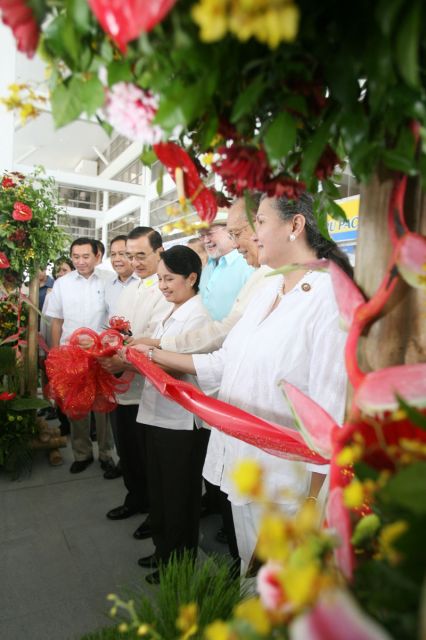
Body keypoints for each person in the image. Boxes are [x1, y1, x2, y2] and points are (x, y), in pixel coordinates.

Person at [130, 193, 352, 573]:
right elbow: (224, 363)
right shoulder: (267, 289)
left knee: (285, 595)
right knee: (253, 583)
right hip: (245, 464)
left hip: (290, 485)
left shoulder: (331, 296)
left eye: (258, 225)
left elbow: (331, 407)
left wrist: (315, 500)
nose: (246, 238)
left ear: (295, 225)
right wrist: (148, 355)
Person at [134, 245, 211, 584]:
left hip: (180, 422)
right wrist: (136, 345)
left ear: (191, 278)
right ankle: (163, 549)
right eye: (160, 279)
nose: (162, 286)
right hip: (156, 414)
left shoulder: (198, 316)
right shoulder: (170, 311)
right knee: (161, 492)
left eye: (169, 279)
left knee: (180, 496)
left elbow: (176, 366)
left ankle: (178, 562)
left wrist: (139, 355)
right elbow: (158, 346)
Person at [100, 227, 171, 541]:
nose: (135, 262)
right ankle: (135, 498)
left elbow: (160, 341)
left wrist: (124, 358)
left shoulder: (166, 289)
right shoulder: (131, 287)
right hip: (122, 386)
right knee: (128, 451)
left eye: (141, 255)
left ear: (160, 251)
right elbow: (116, 327)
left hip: (149, 388)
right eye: (130, 255)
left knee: (151, 460)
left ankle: (156, 514)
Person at [47, 238, 115, 475]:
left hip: (102, 353)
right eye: (75, 257)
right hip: (71, 355)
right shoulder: (62, 284)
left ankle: (107, 454)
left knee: (103, 406)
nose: (80, 262)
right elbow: (57, 320)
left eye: (86, 256)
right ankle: (82, 453)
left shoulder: (109, 280)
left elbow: (116, 317)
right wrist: (56, 354)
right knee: (77, 406)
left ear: (98, 256)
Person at [103, 235, 139, 479]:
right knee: (117, 418)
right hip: (113, 361)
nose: (118, 259)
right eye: (113, 254)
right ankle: (123, 461)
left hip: (138, 360)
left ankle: (134, 468)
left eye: (124, 253)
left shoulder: (147, 283)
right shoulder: (109, 285)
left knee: (135, 426)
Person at [199, 209, 254, 320]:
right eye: (202, 235)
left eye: (209, 233)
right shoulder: (208, 266)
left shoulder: (248, 264)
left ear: (229, 231)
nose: (205, 240)